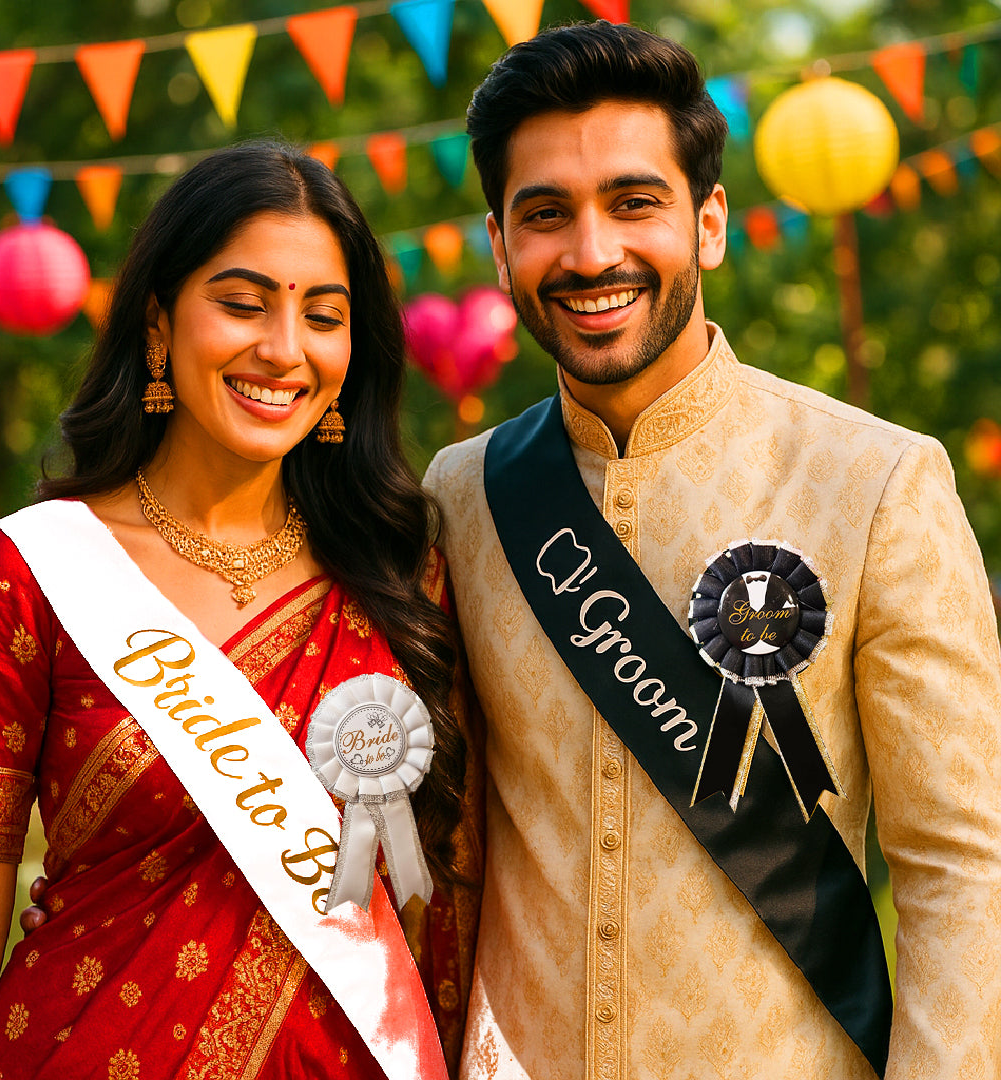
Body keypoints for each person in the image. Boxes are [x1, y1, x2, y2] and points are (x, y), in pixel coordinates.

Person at [423, 20, 1001, 1080]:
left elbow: (964, 868)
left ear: (710, 222)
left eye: (634, 203)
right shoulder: (459, 500)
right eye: (546, 214)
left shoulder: (876, 482)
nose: (592, 253)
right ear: (501, 245)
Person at [0, 141, 480, 1080]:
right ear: (158, 322)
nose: (284, 350)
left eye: (324, 315)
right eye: (242, 303)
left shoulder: (401, 576)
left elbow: (449, 899)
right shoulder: (33, 568)